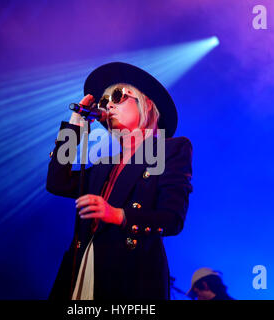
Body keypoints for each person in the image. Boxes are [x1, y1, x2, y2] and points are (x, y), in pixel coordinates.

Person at [46, 62, 193, 300]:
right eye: (104, 102)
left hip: (129, 276)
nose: (109, 104)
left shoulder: (172, 150)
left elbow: (172, 220)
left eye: (117, 95)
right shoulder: (106, 162)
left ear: (146, 103)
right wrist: (74, 126)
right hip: (81, 268)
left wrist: (118, 215)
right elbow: (57, 182)